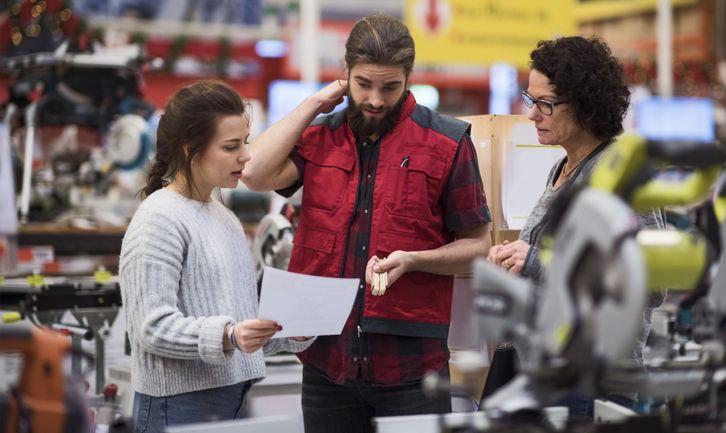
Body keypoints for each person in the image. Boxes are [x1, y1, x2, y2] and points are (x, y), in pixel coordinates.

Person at [241, 13, 491, 433]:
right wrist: (314, 104)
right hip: (327, 363)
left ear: (408, 78)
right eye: (363, 84)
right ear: (346, 75)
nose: (375, 99)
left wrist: (414, 259)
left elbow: (478, 245)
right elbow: (255, 172)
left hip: (412, 369)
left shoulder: (447, 143)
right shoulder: (320, 136)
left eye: (390, 86)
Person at [486, 36, 666, 419]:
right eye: (531, 100)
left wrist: (535, 260)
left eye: (546, 104)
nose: (533, 114)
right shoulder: (562, 169)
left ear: (585, 105)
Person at [119, 80, 314, 433]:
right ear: (190, 149)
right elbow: (151, 327)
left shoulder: (224, 218)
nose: (245, 156)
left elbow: (240, 326)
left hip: (232, 401)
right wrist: (227, 335)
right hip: (177, 407)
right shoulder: (158, 219)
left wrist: (290, 332)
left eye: (245, 143)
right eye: (230, 146)